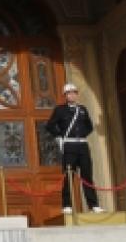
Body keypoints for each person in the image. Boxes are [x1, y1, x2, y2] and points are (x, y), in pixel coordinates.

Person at [44, 83, 105, 214]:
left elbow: (89, 126)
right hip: (69, 146)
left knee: (87, 175)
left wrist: (81, 135)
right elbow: (50, 125)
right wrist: (59, 136)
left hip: (82, 146)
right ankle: (67, 205)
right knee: (69, 176)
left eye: (74, 92)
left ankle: (93, 205)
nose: (72, 95)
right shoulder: (60, 110)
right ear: (65, 95)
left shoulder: (82, 109)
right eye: (69, 93)